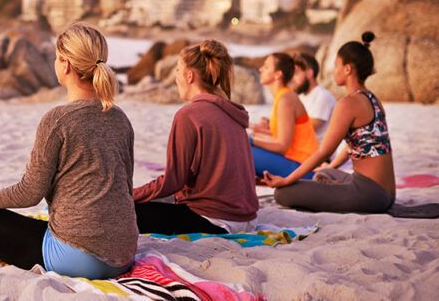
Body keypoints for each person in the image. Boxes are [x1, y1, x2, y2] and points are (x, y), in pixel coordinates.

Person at [0, 24, 137, 280]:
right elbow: (126, 186)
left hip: (80, 259)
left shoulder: (57, 120)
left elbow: (28, 194)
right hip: (124, 255)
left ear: (66, 64)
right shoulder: (120, 118)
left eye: (56, 57)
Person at [133, 40, 258, 235]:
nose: (175, 77)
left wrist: (130, 195)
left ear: (189, 76)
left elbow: (173, 181)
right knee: (156, 199)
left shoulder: (189, 115)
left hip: (213, 221)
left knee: (124, 211)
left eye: (177, 70)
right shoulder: (233, 112)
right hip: (246, 220)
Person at [266, 32, 396, 213]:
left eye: (336, 66)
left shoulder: (348, 103)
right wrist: (331, 166)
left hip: (369, 194)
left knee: (283, 194)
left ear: (348, 69)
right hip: (387, 193)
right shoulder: (373, 99)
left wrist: (287, 180)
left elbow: (324, 151)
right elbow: (356, 145)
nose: (334, 71)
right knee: (325, 173)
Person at [250, 52, 318, 180]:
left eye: (266, 66)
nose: (260, 69)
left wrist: (251, 140)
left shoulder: (285, 99)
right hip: (294, 161)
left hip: (303, 167)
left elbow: (282, 146)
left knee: (243, 148)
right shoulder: (282, 96)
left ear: (278, 74)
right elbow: (281, 139)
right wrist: (255, 135)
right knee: (244, 143)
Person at [290, 51, 337, 138]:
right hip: (301, 148)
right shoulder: (300, 97)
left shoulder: (323, 96)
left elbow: (308, 129)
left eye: (296, 74)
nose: (292, 79)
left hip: (317, 150)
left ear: (309, 73)